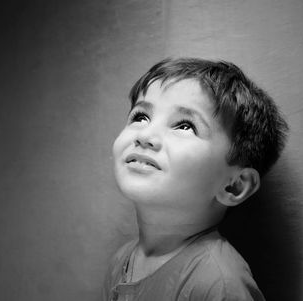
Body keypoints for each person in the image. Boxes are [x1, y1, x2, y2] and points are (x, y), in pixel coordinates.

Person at [103, 58, 288, 301]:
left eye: (184, 126)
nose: (145, 135)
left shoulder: (218, 283)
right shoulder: (121, 261)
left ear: (234, 185)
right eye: (140, 117)